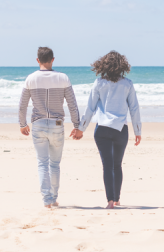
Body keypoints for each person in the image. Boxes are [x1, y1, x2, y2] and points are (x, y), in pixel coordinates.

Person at [18, 47, 83, 208]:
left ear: (37, 60)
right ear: (53, 59)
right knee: (54, 164)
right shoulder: (63, 78)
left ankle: (47, 200)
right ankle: (53, 198)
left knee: (42, 163)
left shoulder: (30, 79)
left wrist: (22, 124)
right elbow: (72, 105)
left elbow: (22, 106)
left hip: (38, 124)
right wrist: (77, 125)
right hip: (57, 124)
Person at [78, 51, 142, 209]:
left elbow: (90, 108)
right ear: (122, 65)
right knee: (117, 165)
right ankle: (117, 198)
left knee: (107, 165)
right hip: (121, 130)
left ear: (104, 65)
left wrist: (81, 128)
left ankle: (110, 202)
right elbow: (134, 109)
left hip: (102, 129)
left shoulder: (99, 83)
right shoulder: (127, 84)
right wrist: (138, 131)